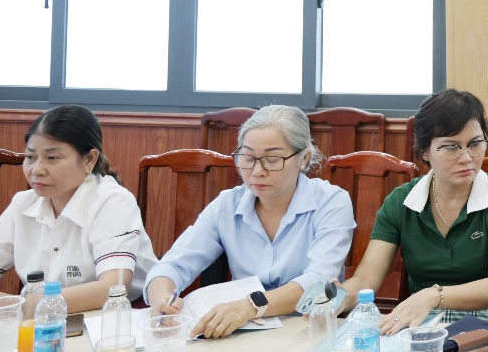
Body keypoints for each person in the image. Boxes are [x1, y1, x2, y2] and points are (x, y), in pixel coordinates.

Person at [145, 105, 355, 339]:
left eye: (272, 160)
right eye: (247, 158)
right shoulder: (226, 204)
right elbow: (173, 265)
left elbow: (319, 281)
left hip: (306, 330)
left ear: (303, 158)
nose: (257, 171)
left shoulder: (331, 202)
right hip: (241, 331)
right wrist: (161, 299)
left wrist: (250, 306)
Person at [339, 90, 488, 334]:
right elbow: (366, 281)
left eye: (475, 144)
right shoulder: (401, 201)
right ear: (424, 152)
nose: (466, 158)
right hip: (424, 320)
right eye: (451, 147)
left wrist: (432, 295)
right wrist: (337, 298)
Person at [0, 105, 157, 311]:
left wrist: (19, 306)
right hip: (47, 318)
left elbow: (113, 289)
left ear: (89, 159)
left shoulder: (113, 201)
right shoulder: (23, 203)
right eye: (30, 157)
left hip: (117, 315)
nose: (36, 170)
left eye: (52, 158)